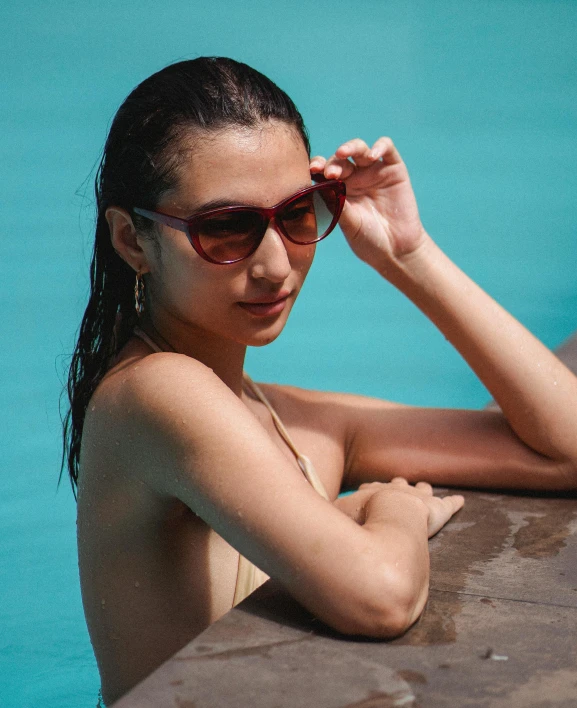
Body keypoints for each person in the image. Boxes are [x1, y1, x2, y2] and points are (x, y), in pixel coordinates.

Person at [62, 57, 577, 705]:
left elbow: (565, 448)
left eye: (298, 213)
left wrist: (407, 254)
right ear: (131, 241)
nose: (275, 265)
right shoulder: (154, 395)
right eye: (226, 227)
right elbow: (380, 597)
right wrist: (395, 507)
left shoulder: (289, 420)